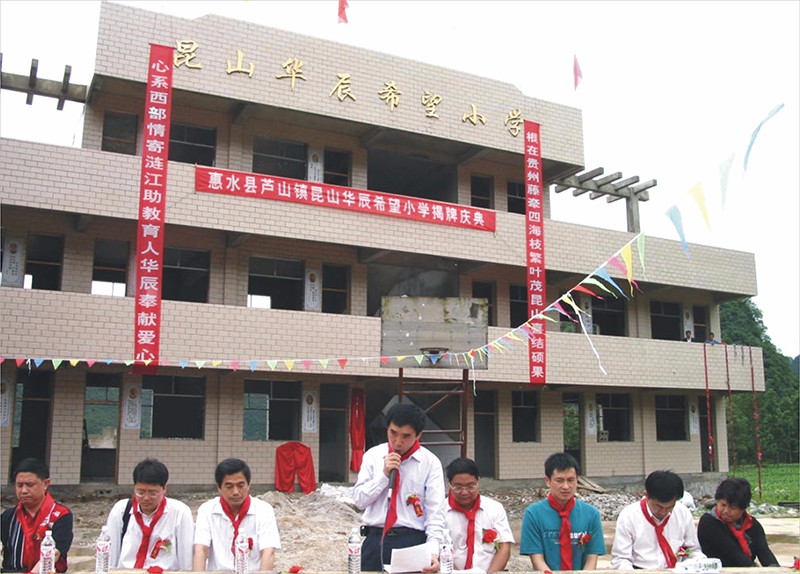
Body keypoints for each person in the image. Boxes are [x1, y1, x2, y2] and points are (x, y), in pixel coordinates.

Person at [352, 402, 446, 572]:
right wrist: (384, 475)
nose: (398, 442)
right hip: (375, 539)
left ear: (418, 435)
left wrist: (433, 550)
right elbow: (359, 501)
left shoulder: (430, 463)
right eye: (393, 433)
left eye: (406, 436)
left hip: (412, 541)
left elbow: (435, 513)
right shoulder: (373, 456)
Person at [103, 458, 193, 570]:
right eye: (140, 492)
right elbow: (111, 555)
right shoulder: (121, 510)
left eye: (152, 493)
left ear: (164, 488)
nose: (146, 498)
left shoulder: (179, 512)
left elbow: (187, 559)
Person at [520, 452, 605, 570]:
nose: (565, 486)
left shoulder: (591, 514)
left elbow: (592, 558)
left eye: (570, 480)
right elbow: (537, 559)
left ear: (577, 480)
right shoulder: (533, 514)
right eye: (559, 480)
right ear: (548, 481)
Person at [193, 458, 281, 572]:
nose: (235, 492)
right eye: (229, 486)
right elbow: (201, 549)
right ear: (219, 487)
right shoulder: (207, 510)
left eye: (240, 485)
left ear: (248, 485)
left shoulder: (264, 510)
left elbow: (268, 552)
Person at [611, 470, 705, 569]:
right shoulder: (629, 516)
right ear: (647, 496)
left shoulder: (683, 513)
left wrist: (697, 561)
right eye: (658, 507)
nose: (663, 512)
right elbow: (621, 559)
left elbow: (691, 550)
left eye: (669, 507)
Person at [1, 458, 73, 573]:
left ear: (45, 484)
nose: (24, 491)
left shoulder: (61, 515)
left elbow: (55, 554)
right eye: (19, 485)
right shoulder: (8, 516)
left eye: (29, 485)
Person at [444, 457, 514, 572]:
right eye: (458, 487)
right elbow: (436, 549)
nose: (464, 492)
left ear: (478, 482)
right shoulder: (439, 512)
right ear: (450, 485)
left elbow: (504, 547)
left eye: (470, 486)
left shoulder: (494, 508)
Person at [697, 477, 779, 567]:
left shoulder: (752, 525)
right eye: (723, 505)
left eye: (732, 508)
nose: (726, 511)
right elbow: (733, 553)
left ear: (743, 509)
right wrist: (754, 569)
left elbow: (764, 552)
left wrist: (775, 569)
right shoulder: (709, 523)